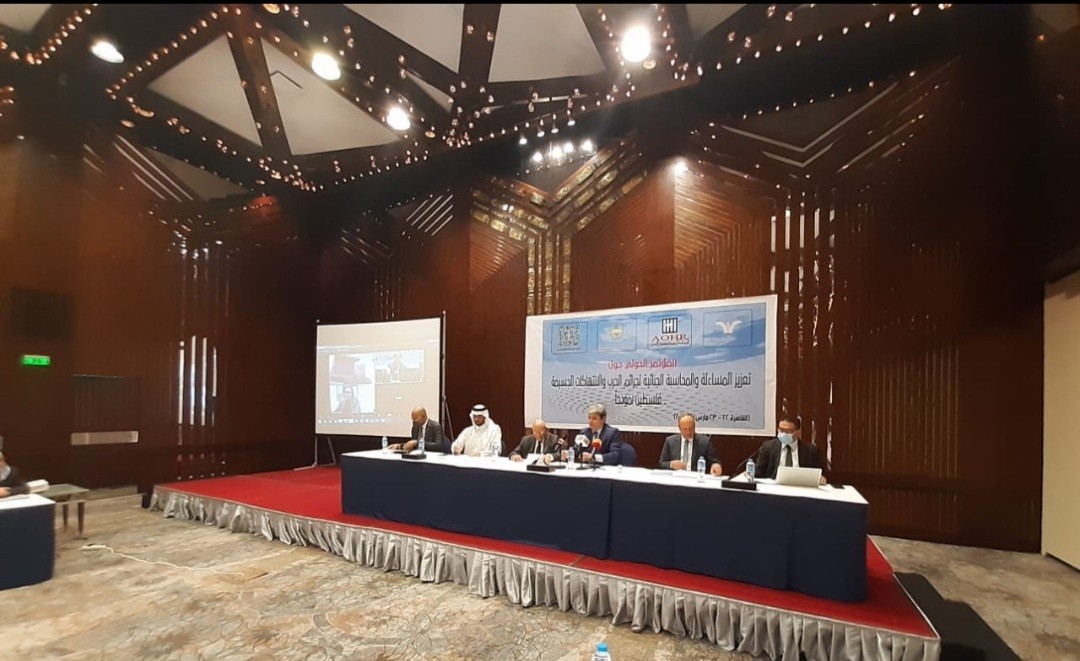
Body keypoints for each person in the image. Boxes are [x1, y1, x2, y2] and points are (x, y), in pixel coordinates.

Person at [753, 415, 826, 484]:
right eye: (781, 430)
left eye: (788, 431)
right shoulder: (768, 447)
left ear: (798, 431)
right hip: (774, 487)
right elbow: (758, 472)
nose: (784, 434)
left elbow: (820, 473)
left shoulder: (811, 450)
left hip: (801, 487)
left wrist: (821, 478)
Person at [564, 403, 629, 465]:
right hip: (586, 469)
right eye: (589, 418)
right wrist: (568, 454)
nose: (590, 421)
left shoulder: (612, 433)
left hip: (604, 468)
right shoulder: (584, 432)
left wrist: (594, 457)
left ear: (603, 419)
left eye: (594, 418)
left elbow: (615, 456)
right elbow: (576, 450)